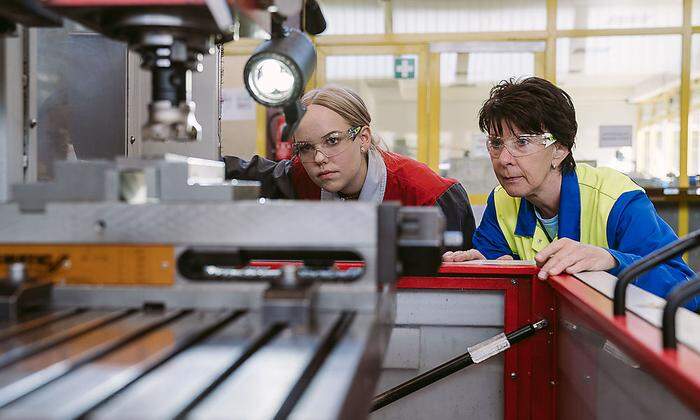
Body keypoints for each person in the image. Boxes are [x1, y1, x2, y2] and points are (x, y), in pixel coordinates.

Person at [443, 77, 699, 310]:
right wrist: (481, 268)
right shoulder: (501, 202)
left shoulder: (617, 199)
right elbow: (494, 279)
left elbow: (686, 289)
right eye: (496, 144)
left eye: (522, 142)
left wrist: (612, 261)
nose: (504, 159)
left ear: (560, 149)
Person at [224, 85, 476, 247]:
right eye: (305, 147)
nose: (319, 158)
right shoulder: (298, 176)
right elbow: (237, 172)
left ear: (363, 138)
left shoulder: (428, 195)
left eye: (332, 141)